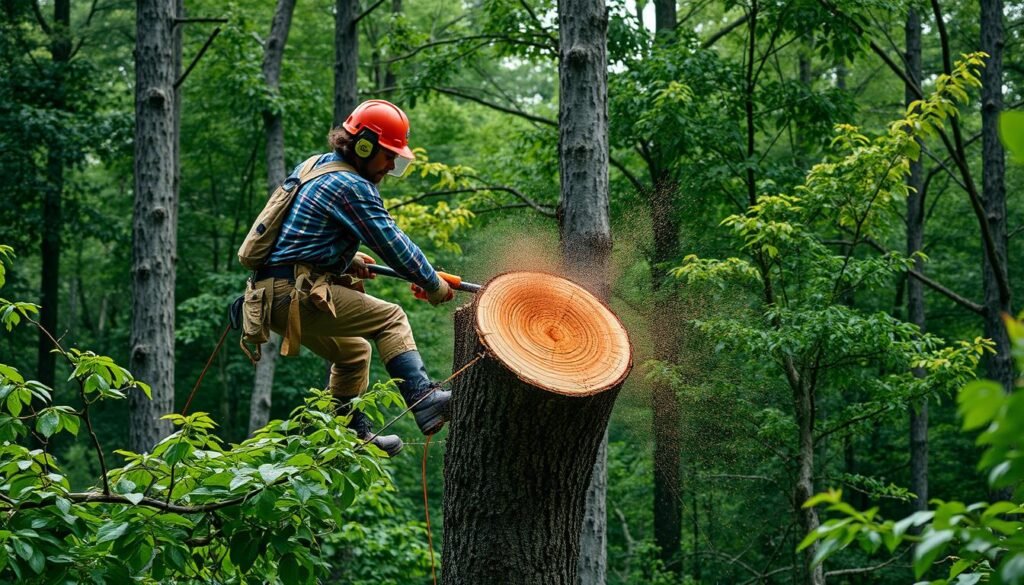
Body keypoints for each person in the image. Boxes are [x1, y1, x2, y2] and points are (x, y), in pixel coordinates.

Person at [254, 99, 454, 457]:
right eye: (388, 155)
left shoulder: (315, 166)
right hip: (292, 293)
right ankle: (425, 400)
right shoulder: (352, 186)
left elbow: (298, 237)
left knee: (354, 353)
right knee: (391, 318)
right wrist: (432, 284)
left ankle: (347, 436)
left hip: (268, 293)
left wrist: (343, 260)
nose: (391, 165)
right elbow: (394, 245)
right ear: (363, 145)